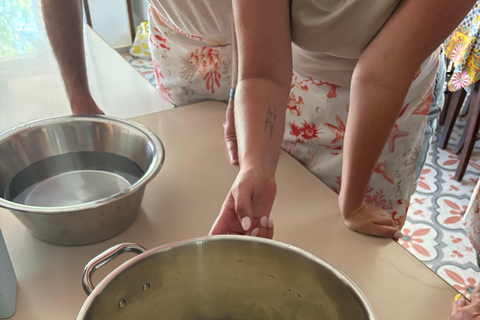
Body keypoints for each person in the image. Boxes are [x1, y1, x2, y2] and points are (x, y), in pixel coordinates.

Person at [209, 0, 476, 239]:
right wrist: (257, 168)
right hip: (294, 79)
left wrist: (354, 203)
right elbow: (263, 72)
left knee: (350, 245)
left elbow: (381, 75)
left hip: (391, 101)